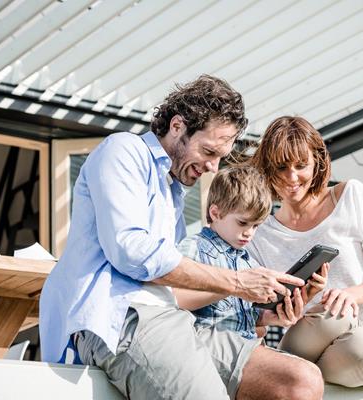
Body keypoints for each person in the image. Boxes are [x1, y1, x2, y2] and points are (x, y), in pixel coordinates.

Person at [39, 77, 324, 400]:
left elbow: (172, 288)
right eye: (208, 151)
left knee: (300, 381)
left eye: (221, 156)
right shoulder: (124, 151)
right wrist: (237, 282)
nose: (213, 167)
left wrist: (261, 313)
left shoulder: (171, 192)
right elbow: (131, 252)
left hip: (172, 319)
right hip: (122, 317)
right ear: (177, 126)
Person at [247, 116, 363, 388]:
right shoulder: (260, 234)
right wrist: (286, 311)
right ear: (268, 168)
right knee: (331, 319)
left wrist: (349, 295)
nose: (291, 178)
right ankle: (297, 376)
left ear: (317, 161)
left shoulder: (350, 196)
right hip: (311, 340)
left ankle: (300, 377)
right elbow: (257, 313)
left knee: (353, 339)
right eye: (281, 167)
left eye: (300, 165)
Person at [173, 165, 329, 340]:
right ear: (215, 213)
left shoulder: (249, 262)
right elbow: (173, 300)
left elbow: (246, 317)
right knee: (302, 368)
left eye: (255, 225)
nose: (249, 232)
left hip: (244, 345)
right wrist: (232, 287)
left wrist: (269, 317)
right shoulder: (193, 248)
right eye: (242, 223)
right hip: (208, 345)